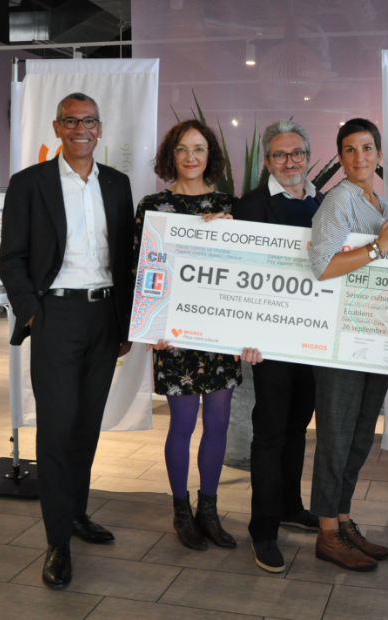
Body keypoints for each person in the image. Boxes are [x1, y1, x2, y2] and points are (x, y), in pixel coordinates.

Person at [0, 93, 135, 587]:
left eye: (89, 121)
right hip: (55, 316)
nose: (81, 129)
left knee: (86, 428)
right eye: (71, 121)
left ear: (100, 127)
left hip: (105, 317)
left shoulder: (117, 184)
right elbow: (11, 258)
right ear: (57, 128)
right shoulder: (29, 183)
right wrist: (34, 314)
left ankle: (75, 513)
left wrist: (127, 322)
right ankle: (57, 541)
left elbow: (126, 258)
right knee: (56, 431)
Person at [132, 119, 241, 552]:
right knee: (181, 423)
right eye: (182, 149)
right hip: (172, 333)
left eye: (199, 148)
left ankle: (208, 511)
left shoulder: (229, 207)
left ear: (210, 155)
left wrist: (230, 231)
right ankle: (181, 511)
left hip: (219, 332)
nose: (190, 157)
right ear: (170, 155)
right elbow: (140, 271)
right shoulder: (153, 206)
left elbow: (243, 273)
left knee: (218, 422)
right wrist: (150, 326)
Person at [308, 118, 388, 572]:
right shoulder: (340, 199)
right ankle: (327, 532)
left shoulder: (380, 203)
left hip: (372, 335)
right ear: (341, 157)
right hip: (341, 340)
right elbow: (323, 266)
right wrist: (380, 249)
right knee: (336, 435)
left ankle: (344, 520)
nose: (359, 157)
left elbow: (385, 261)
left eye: (367, 148)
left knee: (360, 435)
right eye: (349, 150)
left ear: (379, 154)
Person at [231, 119, 322, 573]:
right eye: (280, 155)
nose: (290, 162)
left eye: (297, 153)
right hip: (268, 343)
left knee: (297, 427)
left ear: (308, 156)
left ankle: (289, 505)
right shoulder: (249, 206)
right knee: (269, 433)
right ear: (267, 161)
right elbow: (235, 275)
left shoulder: (323, 203)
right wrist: (242, 335)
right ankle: (263, 530)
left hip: (312, 339)